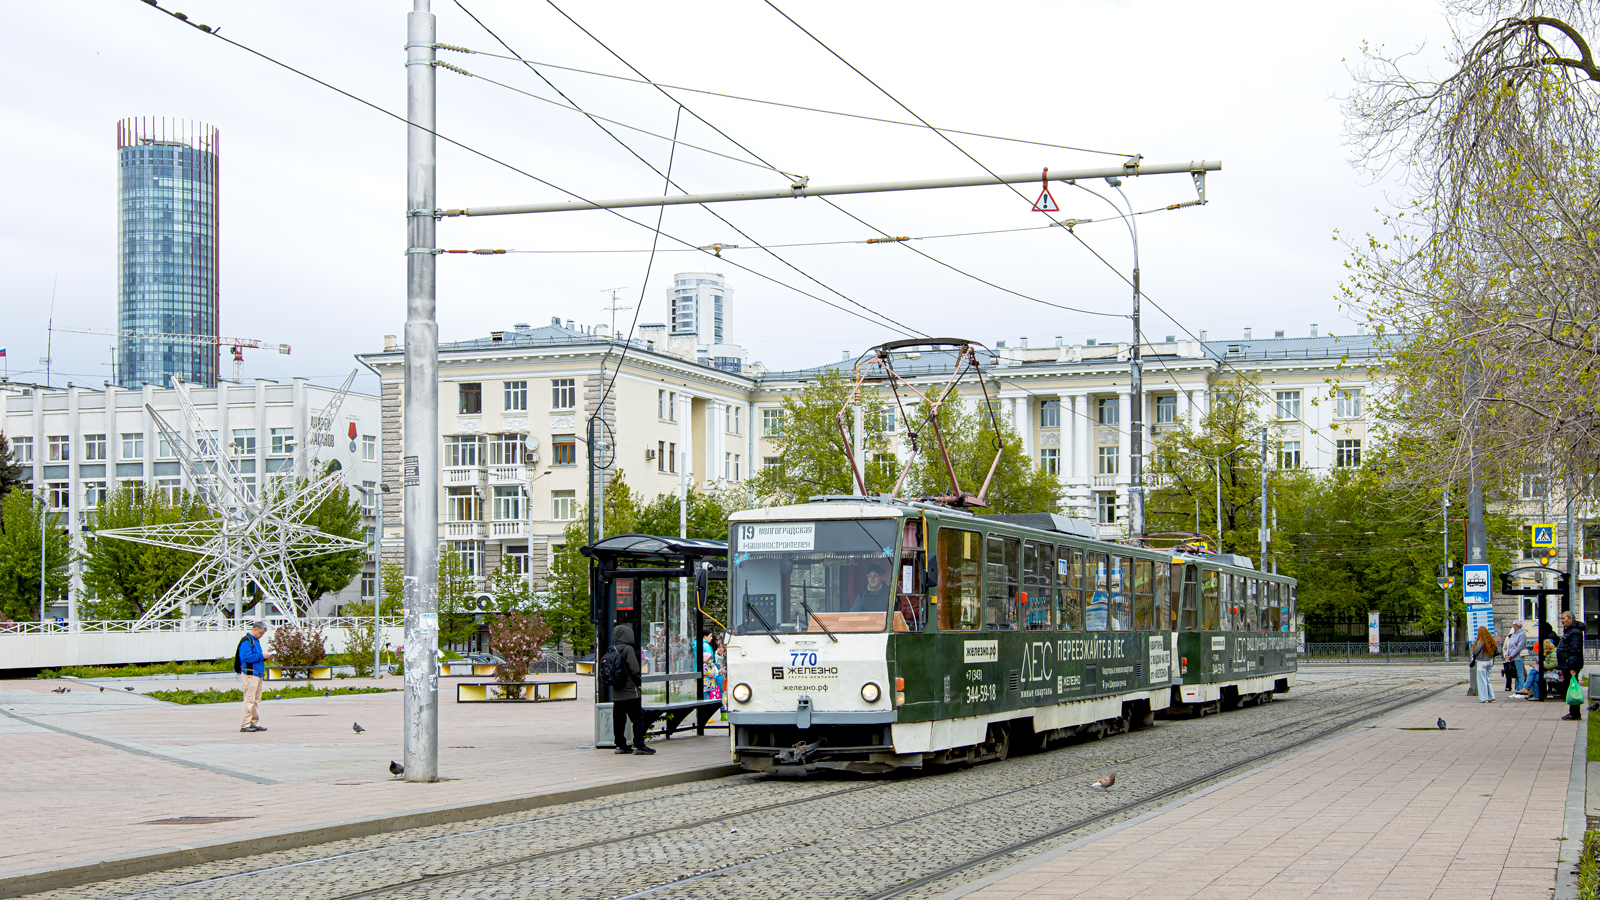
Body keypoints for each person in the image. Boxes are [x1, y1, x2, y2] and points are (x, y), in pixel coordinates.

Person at [608, 623, 653, 755]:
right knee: (638, 717)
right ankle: (639, 744)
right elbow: (635, 670)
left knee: (619, 719)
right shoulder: (627, 649)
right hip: (629, 692)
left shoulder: (611, 649)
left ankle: (620, 745)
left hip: (616, 692)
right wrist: (639, 682)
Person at [236, 621, 268, 733]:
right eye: (261, 633)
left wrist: (264, 657)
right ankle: (245, 725)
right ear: (255, 629)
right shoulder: (247, 641)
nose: (261, 635)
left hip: (257, 674)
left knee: (256, 700)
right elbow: (246, 658)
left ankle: (254, 722)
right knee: (249, 700)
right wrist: (261, 656)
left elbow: (255, 657)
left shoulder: (255, 641)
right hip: (250, 674)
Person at [1557, 611, 1585, 721]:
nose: (1562, 620)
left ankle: (1575, 713)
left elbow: (1575, 650)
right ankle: (1573, 712)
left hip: (1572, 665)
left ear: (1570, 619)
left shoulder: (1575, 632)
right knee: (1570, 687)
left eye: (1563, 618)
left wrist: (1572, 667)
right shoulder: (1570, 631)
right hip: (1568, 664)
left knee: (1572, 688)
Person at [1471, 625, 1497, 703]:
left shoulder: (1481, 641)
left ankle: (1483, 698)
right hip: (1490, 661)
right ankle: (1491, 697)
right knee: (1488, 680)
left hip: (1482, 662)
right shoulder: (1491, 640)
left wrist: (1473, 647)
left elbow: (1475, 651)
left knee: (1481, 680)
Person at [1504, 621, 1529, 696]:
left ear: (1519, 626)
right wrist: (1507, 654)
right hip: (1512, 658)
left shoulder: (1522, 634)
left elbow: (1520, 646)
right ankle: (1517, 690)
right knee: (1515, 675)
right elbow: (1509, 645)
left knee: (1520, 674)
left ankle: (1521, 690)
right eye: (1513, 625)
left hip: (1518, 657)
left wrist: (1512, 655)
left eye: (1515, 625)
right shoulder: (1513, 634)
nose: (1514, 627)